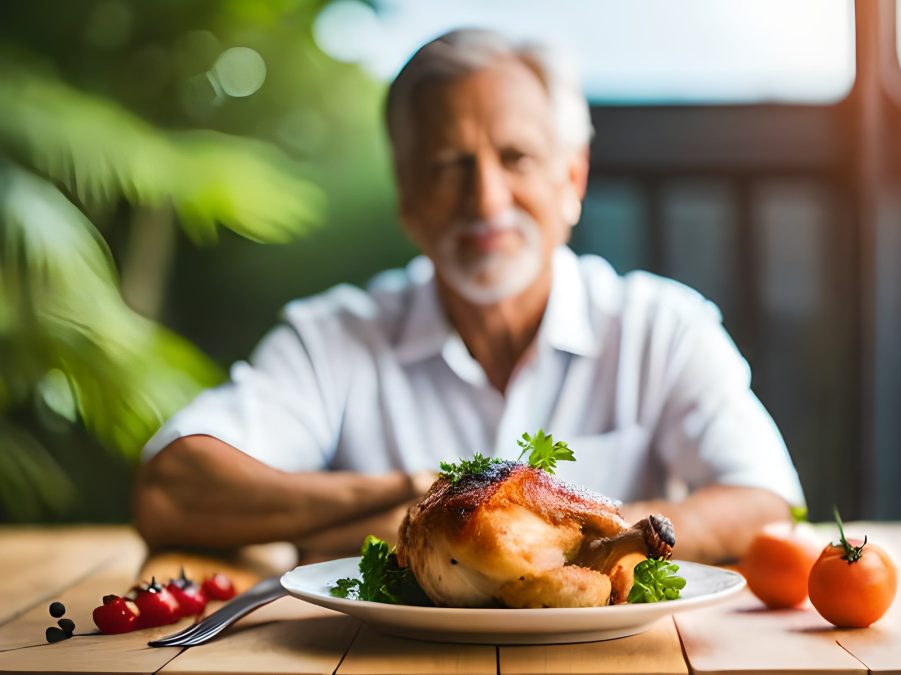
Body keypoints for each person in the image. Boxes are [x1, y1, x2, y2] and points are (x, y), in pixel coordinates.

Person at [134, 28, 804, 564]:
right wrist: (413, 491)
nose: (486, 199)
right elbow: (173, 485)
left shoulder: (663, 326)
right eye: (451, 165)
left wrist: (546, 529)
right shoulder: (333, 334)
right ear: (407, 198)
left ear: (571, 179)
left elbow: (766, 498)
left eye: (515, 158)